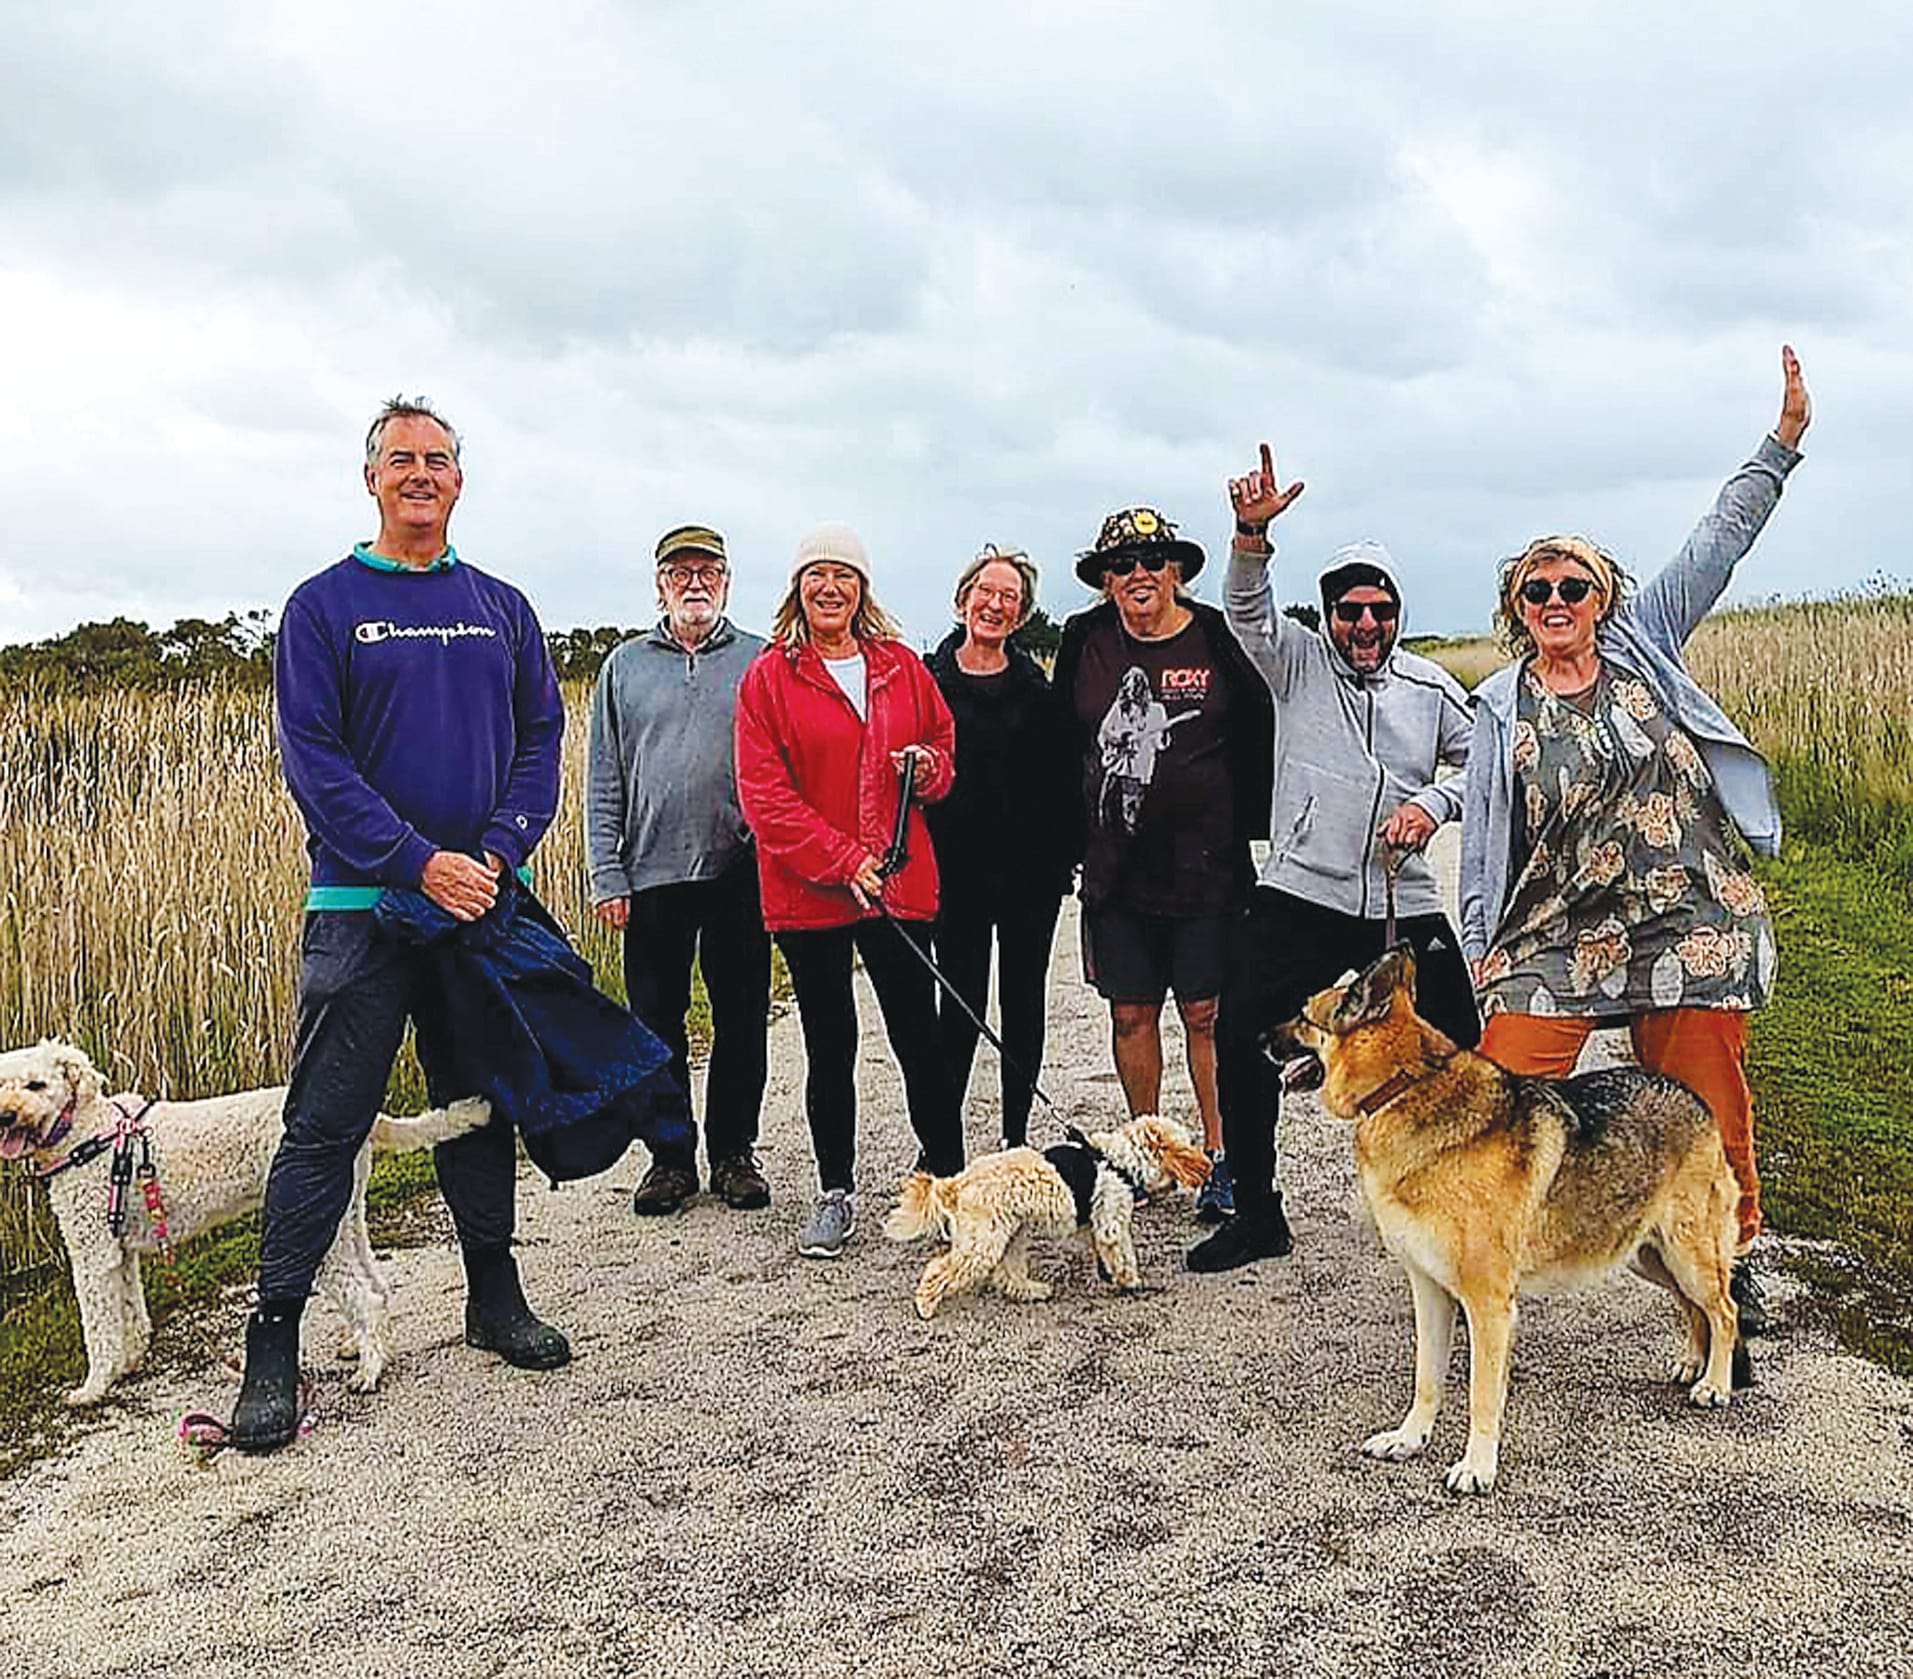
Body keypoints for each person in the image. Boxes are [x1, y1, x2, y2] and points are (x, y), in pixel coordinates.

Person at [232, 396, 571, 1452]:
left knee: (477, 1104)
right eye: (399, 458)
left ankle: (492, 1292)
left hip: (476, 902)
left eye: (437, 458)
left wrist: (499, 852)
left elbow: (540, 738)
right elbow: (314, 761)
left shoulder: (499, 606)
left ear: (459, 482)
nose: (419, 472)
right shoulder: (323, 605)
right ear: (369, 478)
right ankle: (273, 1337)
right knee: (325, 1122)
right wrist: (415, 861)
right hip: (359, 908)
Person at [1460, 346, 1812, 1334]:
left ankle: (1723, 1289)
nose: (1557, 602)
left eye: (1573, 584)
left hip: (1687, 920)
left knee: (1707, 1114)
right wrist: (1486, 945)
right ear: (1515, 610)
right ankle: (1494, 1255)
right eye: (1536, 591)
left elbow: (1719, 538)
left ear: (1603, 595)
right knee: (1497, 1096)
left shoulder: (1644, 640)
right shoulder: (1498, 705)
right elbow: (1487, 842)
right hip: (1560, 935)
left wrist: (1778, 444)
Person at [1188, 452, 1480, 1273]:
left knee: (1459, 1042)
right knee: (1245, 1034)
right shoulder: (1292, 663)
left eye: (1380, 611)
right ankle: (1255, 1212)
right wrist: (1252, 534)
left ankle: (1462, 1200)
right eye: (1350, 610)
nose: (1365, 625)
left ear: (1396, 614)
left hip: (1401, 895)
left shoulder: (1428, 688)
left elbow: (1478, 763)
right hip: (1302, 892)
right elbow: (1243, 605)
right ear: (1326, 616)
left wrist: (1433, 804)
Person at [733, 523, 963, 1258]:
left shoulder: (899, 666)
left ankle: (947, 1178)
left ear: (862, 589)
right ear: (797, 589)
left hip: (897, 883)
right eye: (815, 576)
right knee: (829, 1043)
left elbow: (944, 752)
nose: (828, 588)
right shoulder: (768, 677)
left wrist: (925, 767)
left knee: (918, 1038)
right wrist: (840, 859)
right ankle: (835, 1190)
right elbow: (763, 797)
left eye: (843, 576)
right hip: (812, 893)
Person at [1052, 508, 1274, 1220]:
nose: (1138, 573)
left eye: (1153, 560)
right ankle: (1146, 1154)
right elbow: (1061, 743)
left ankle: (1221, 1155)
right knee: (1131, 1013)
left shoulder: (1214, 634)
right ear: (1104, 580)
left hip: (1206, 864)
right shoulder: (1083, 640)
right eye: (1122, 564)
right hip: (1116, 869)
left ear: (1176, 570)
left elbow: (1262, 719)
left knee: (1207, 1014)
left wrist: (1258, 821)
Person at [587, 524, 772, 1216]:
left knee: (742, 1015)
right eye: (680, 571)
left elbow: (783, 760)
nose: (694, 583)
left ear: (726, 580)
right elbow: (604, 775)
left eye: (708, 570)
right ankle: (669, 1158)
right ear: (659, 583)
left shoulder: (759, 658)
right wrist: (606, 872)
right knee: (656, 1021)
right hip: (650, 872)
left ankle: (733, 1153)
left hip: (741, 870)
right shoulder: (623, 667)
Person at [924, 545, 1076, 1148]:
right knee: (957, 1007)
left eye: (1008, 597)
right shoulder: (927, 683)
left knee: (1023, 1005)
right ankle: (941, 1138)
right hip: (953, 876)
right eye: (985, 592)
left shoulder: (1039, 693)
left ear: (1020, 615)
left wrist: (1062, 861)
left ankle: (1015, 1137)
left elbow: (1064, 786)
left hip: (1029, 880)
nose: (994, 604)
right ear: (963, 601)